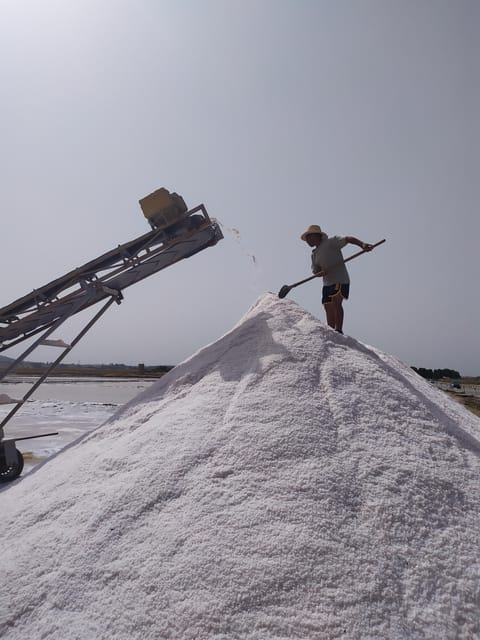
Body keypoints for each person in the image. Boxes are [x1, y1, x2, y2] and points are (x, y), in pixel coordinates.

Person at [300, 225, 373, 334]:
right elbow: (315, 271)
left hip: (340, 279)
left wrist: (362, 245)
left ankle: (338, 330)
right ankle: (331, 331)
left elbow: (348, 239)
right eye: (306, 239)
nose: (307, 241)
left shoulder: (331, 242)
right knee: (327, 305)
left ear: (316, 236)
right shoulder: (314, 254)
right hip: (327, 283)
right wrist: (320, 273)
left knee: (336, 302)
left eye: (309, 237)